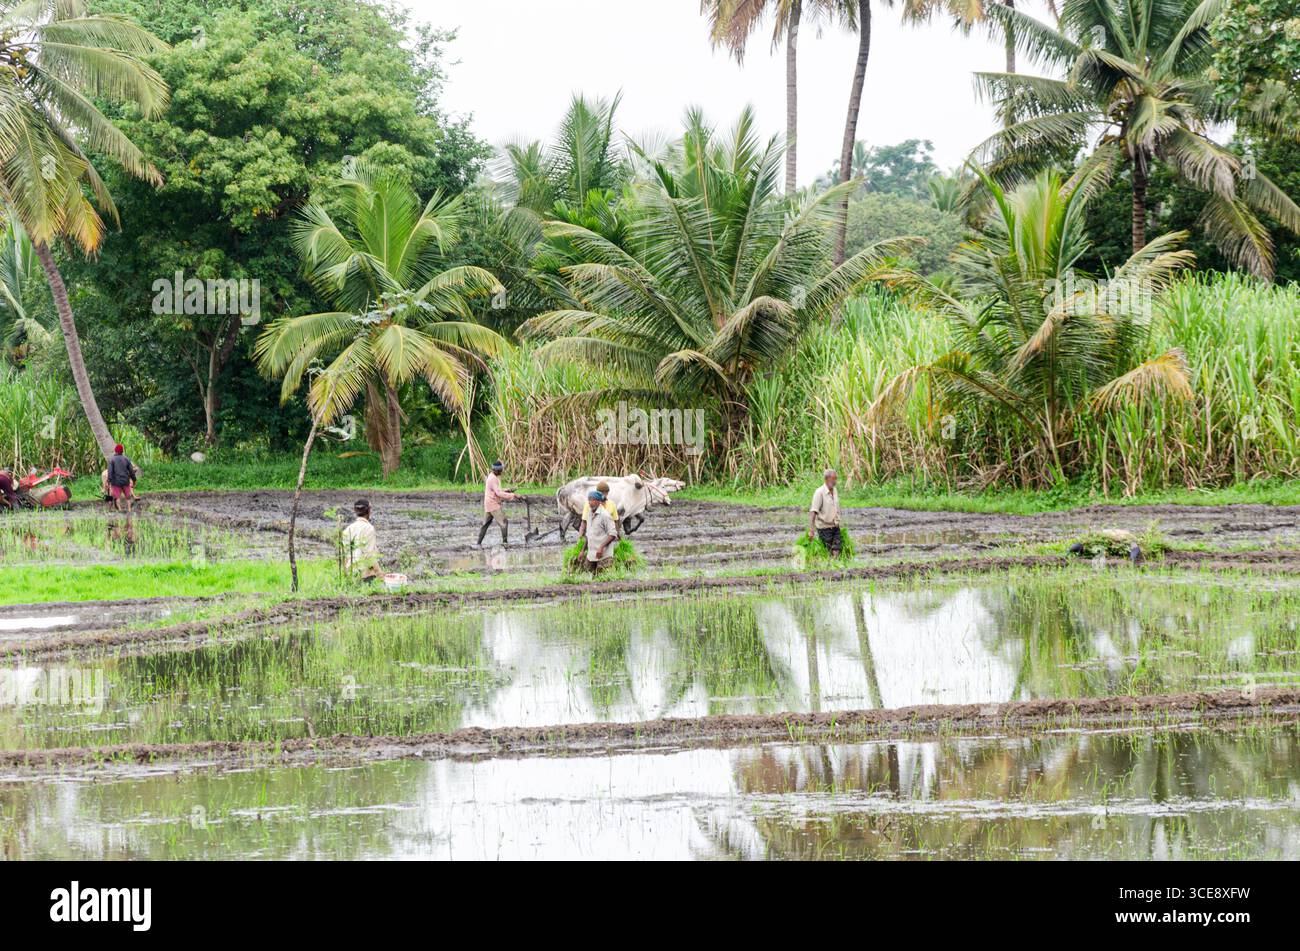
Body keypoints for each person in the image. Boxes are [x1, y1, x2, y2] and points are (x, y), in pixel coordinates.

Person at [478, 460, 518, 546]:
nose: (502, 471)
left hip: (488, 504)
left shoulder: (492, 476)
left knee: (485, 525)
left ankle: (478, 543)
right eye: (501, 470)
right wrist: (513, 495)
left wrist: (508, 490)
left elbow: (496, 490)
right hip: (493, 504)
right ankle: (505, 542)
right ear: (496, 470)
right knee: (504, 523)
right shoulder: (493, 479)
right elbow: (498, 493)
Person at [341, 498, 381, 579]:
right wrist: (380, 573)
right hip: (364, 574)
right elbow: (370, 555)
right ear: (369, 510)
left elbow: (344, 555)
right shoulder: (369, 528)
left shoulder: (347, 529)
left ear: (355, 510)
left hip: (350, 572)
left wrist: (345, 574)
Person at [807, 468, 843, 556]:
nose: (835, 481)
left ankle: (835, 565)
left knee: (837, 548)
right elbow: (813, 512)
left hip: (835, 526)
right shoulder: (819, 492)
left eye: (836, 479)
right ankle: (829, 568)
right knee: (828, 551)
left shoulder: (835, 491)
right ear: (826, 479)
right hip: (824, 528)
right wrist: (811, 529)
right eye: (833, 479)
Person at [584, 489, 619, 574]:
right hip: (592, 555)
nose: (590, 502)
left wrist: (601, 547)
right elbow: (589, 534)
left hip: (604, 555)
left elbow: (613, 534)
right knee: (588, 580)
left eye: (592, 500)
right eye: (589, 500)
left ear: (598, 502)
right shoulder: (589, 514)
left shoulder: (605, 515)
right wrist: (583, 550)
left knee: (603, 581)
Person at [106, 444, 138, 513]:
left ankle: (119, 510)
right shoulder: (126, 459)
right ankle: (129, 510)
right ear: (122, 451)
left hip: (116, 482)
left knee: (116, 497)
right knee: (128, 497)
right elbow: (131, 471)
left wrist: (109, 481)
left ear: (115, 451)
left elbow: (110, 472)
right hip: (125, 481)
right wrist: (134, 479)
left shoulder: (112, 460)